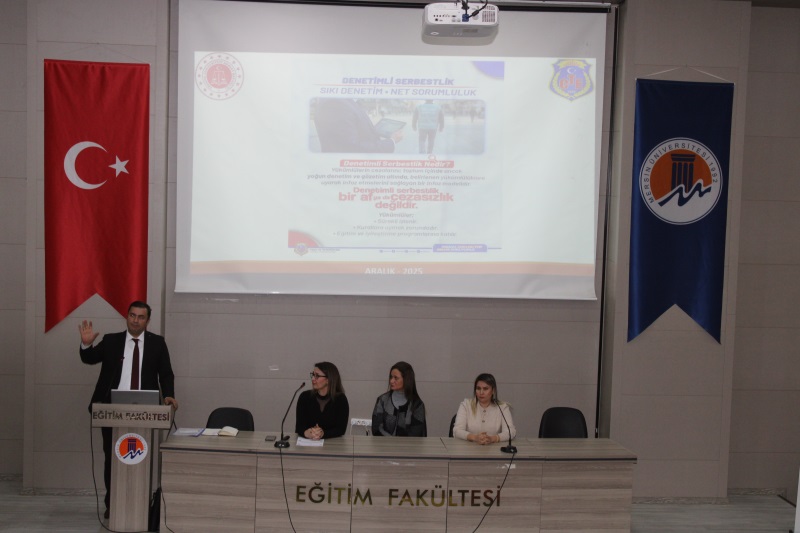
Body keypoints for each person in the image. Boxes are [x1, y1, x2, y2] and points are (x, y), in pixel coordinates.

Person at [78, 301, 177, 519]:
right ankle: (112, 503)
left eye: (141, 317)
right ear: (127, 316)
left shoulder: (157, 343)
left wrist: (169, 395)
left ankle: (140, 504)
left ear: (147, 320)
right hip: (111, 410)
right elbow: (90, 358)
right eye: (132, 315)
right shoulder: (111, 341)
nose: (135, 320)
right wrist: (86, 345)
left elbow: (166, 373)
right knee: (112, 457)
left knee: (141, 457)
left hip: (146, 412)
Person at [314, 98, 402, 153]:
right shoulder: (336, 102)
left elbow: (348, 132)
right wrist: (391, 142)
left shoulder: (347, 101)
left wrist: (371, 130)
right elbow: (350, 147)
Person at [452, 373, 516, 445]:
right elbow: (457, 431)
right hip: (468, 449)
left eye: (485, 389)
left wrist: (492, 439)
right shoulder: (466, 405)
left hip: (494, 449)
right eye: (478, 388)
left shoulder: (502, 407)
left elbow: (510, 432)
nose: (481, 392)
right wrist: (475, 438)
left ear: (493, 390)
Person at [295, 362, 349, 440]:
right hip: (308, 443)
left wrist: (323, 433)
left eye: (317, 376)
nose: (313, 379)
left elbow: (340, 429)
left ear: (328, 380)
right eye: (313, 375)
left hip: (332, 443)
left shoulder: (341, 399)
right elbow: (299, 427)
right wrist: (307, 433)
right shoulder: (304, 397)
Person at [372, 361, 427, 437]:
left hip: (408, 445)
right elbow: (376, 429)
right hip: (384, 444)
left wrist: (398, 443)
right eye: (391, 377)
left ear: (407, 379)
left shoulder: (417, 405)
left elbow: (416, 434)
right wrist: (390, 441)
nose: (391, 381)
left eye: (396, 378)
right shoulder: (382, 400)